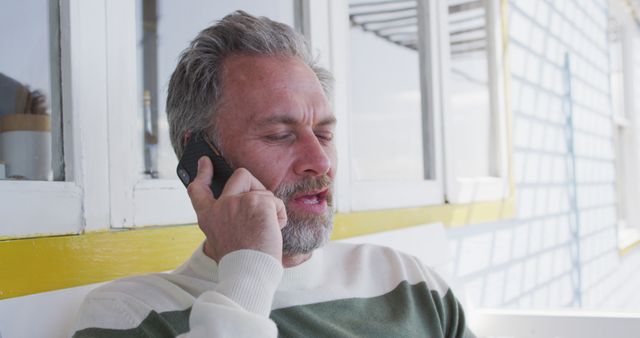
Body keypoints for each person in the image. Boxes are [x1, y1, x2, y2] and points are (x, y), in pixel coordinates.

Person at [72, 11, 475, 338]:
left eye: (324, 133)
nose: (320, 161)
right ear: (202, 160)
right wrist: (248, 274)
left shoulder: (408, 282)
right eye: (280, 135)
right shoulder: (131, 315)